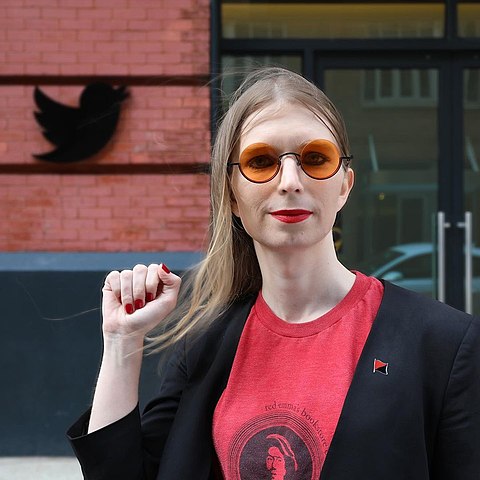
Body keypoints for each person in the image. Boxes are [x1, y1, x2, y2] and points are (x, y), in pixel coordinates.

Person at [68, 67, 480, 480]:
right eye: (261, 161)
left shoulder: (443, 344)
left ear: (344, 186)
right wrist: (122, 341)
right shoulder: (203, 347)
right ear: (230, 194)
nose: (290, 181)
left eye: (315, 159)